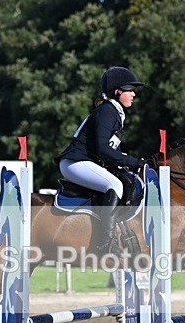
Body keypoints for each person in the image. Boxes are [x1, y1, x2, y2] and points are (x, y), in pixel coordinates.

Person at [57, 66, 146, 255]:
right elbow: (103, 149)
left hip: (85, 162)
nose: (133, 95)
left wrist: (132, 165)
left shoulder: (114, 112)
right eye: (130, 90)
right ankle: (105, 244)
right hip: (75, 163)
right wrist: (133, 161)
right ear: (118, 91)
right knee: (115, 185)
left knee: (125, 180)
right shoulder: (107, 111)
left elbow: (112, 151)